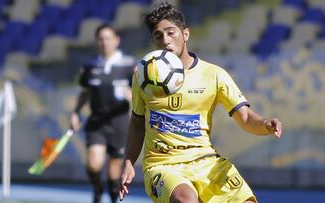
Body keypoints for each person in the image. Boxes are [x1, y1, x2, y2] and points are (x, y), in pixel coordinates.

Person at [118, 3, 282, 203]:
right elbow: (137, 122)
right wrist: (128, 162)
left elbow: (246, 117)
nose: (166, 40)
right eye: (158, 36)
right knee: (186, 200)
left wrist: (265, 124)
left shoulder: (214, 75)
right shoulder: (144, 76)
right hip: (163, 165)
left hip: (206, 161)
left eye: (171, 33)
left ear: (185, 34)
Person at [70, 24, 135, 203]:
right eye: (101, 39)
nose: (104, 42)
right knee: (93, 163)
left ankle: (113, 197)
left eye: (108, 38)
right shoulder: (90, 66)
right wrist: (75, 113)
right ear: (97, 42)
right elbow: (83, 93)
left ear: (116, 40)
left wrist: (131, 95)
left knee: (114, 175)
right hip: (97, 123)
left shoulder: (129, 65)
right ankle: (98, 189)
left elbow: (139, 93)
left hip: (119, 124)